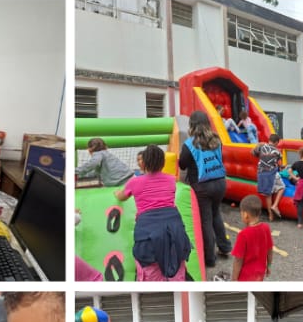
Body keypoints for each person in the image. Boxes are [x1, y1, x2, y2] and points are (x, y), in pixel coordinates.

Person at [114, 144, 191, 281]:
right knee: (176, 258)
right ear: (163, 163)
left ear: (143, 163)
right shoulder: (171, 180)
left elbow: (121, 196)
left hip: (148, 229)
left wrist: (116, 193)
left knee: (150, 267)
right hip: (173, 226)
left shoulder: (134, 182)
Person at [179, 110, 232, 270]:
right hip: (220, 182)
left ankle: (210, 257)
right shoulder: (216, 139)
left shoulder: (190, 144)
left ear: (191, 125)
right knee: (216, 214)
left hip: (202, 186)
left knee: (206, 220)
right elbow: (220, 158)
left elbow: (183, 164)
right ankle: (225, 247)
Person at [231, 195, 273, 281]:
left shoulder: (243, 235)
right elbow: (270, 250)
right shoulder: (266, 228)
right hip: (259, 274)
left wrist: (234, 279)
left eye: (241, 213)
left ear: (245, 215)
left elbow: (238, 260)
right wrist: (268, 266)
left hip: (245, 277)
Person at [253, 135, 285, 219]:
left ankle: (270, 215)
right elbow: (279, 164)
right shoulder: (277, 152)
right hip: (271, 173)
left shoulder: (261, 147)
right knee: (282, 187)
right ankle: (275, 205)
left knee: (268, 194)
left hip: (261, 173)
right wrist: (282, 167)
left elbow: (253, 153)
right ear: (276, 142)